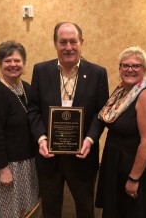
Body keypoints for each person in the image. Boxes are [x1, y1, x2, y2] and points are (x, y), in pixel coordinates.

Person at [27, 22, 109, 218]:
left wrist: (90, 139)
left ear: (82, 42)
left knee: (85, 207)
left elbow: (102, 112)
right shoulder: (41, 70)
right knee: (50, 209)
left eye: (73, 41)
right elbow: (33, 109)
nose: (68, 47)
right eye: (63, 42)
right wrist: (41, 139)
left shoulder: (98, 73)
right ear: (55, 44)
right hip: (49, 157)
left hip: (83, 156)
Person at [95, 47, 146, 218]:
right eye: (125, 65)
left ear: (145, 70)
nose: (130, 69)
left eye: (136, 66)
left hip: (135, 168)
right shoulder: (120, 93)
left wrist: (133, 179)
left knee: (133, 212)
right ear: (119, 69)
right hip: (116, 164)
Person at [0, 40, 40, 218]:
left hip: (27, 161)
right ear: (0, 64)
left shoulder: (27, 88)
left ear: (24, 63)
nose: (13, 65)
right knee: (10, 211)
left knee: (25, 208)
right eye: (8, 61)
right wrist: (2, 169)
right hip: (9, 164)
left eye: (17, 61)